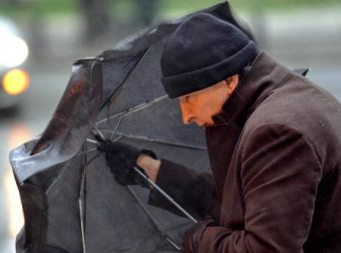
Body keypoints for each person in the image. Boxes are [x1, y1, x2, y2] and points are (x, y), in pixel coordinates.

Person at [99, 13, 341, 252]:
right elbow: (243, 201)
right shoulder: (281, 98)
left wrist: (198, 239)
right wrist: (150, 169)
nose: (186, 116)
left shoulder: (276, 132)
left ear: (229, 81)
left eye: (189, 98)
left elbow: (264, 248)